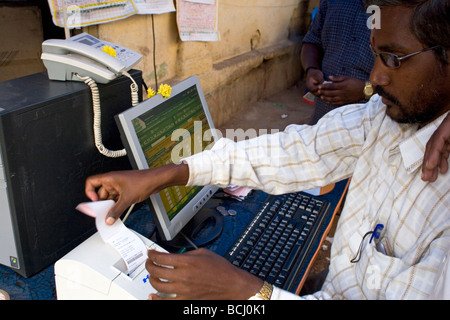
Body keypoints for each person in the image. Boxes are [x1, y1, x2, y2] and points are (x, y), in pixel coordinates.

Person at [85, 0, 450, 300]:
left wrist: (247, 292)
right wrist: (169, 174)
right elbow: (292, 151)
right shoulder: (380, 119)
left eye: (394, 59)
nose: (374, 79)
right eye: (376, 55)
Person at [301, 0, 375, 124]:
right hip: (322, 117)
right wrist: (311, 69)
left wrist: (366, 89)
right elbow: (312, 40)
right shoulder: (332, 2)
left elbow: (408, 77)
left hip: (368, 122)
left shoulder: (401, 7)